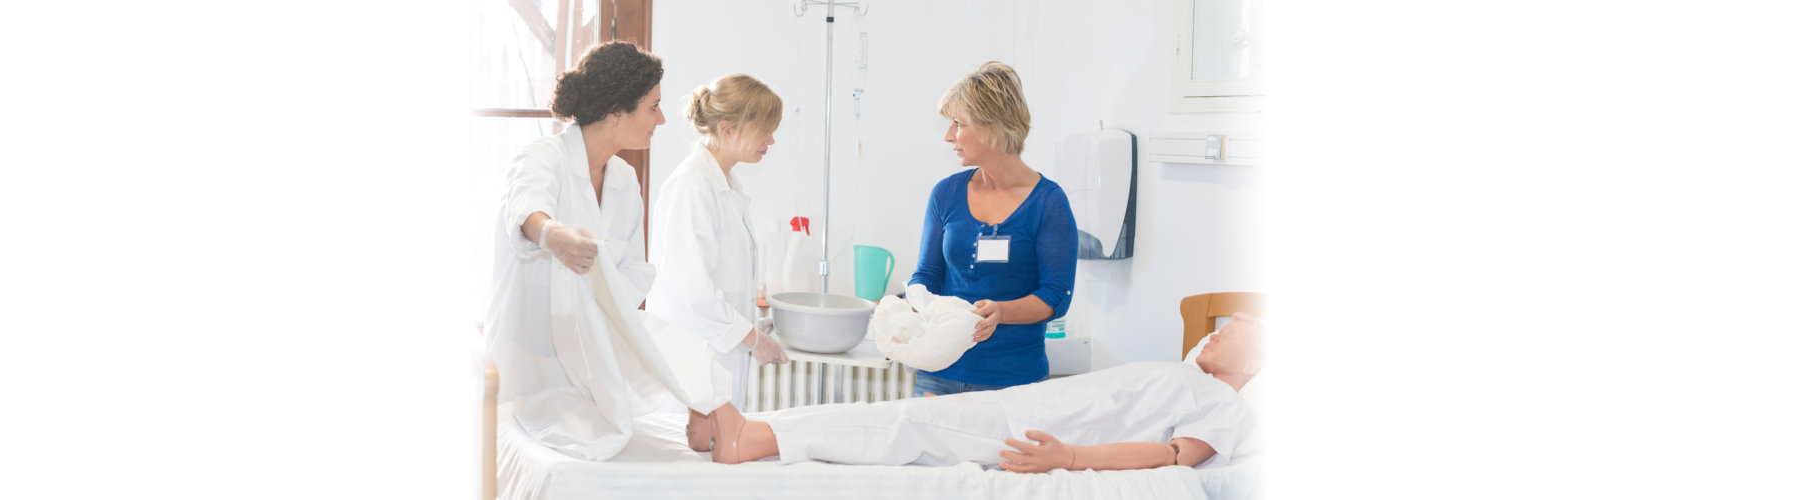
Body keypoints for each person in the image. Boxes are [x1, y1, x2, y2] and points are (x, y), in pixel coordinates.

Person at [692, 313, 1266, 472]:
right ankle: (738, 430)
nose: (1217, 330)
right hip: (1020, 403)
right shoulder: (1184, 372)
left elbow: (1173, 457)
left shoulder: (1225, 407)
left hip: (1032, 434)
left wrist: (1068, 459)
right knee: (891, 411)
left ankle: (747, 439)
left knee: (901, 427)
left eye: (1234, 330)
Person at [482, 41, 665, 456]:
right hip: (528, 365)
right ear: (616, 111)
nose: (662, 119)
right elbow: (527, 210)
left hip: (587, 366)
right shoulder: (542, 157)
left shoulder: (623, 180)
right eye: (653, 107)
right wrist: (553, 236)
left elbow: (632, 270)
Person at [908, 61, 1079, 396]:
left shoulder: (1049, 203)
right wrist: (914, 300)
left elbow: (1055, 296)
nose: (948, 136)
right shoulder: (945, 194)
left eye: (958, 124)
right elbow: (927, 273)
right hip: (939, 374)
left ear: (991, 126)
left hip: (1013, 381)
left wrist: (1003, 312)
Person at [646, 74, 789, 452]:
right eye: (766, 131)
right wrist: (754, 340)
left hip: (715, 357)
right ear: (728, 129)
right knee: (686, 471)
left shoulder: (725, 186)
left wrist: (750, 323)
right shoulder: (692, 187)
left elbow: (720, 284)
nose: (771, 141)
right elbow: (693, 293)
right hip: (690, 365)